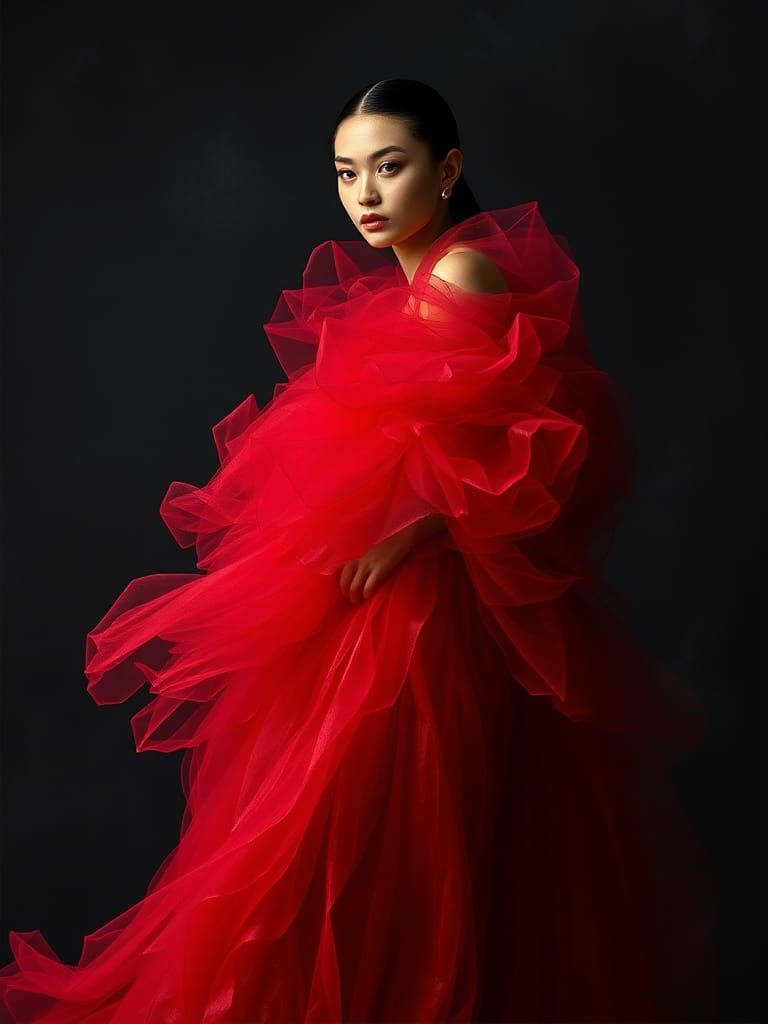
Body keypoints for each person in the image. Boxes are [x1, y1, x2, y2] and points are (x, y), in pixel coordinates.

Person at [0, 79, 718, 1023]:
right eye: (346, 173)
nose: (365, 194)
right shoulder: (417, 284)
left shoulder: (464, 276)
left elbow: (532, 452)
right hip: (390, 595)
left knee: (376, 845)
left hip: (428, 609)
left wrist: (409, 534)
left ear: (447, 169)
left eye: (389, 166)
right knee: (332, 842)